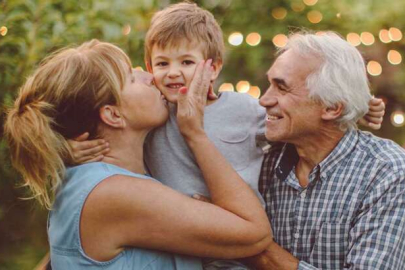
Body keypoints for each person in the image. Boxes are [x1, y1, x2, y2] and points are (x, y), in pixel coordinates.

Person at [69, 3, 385, 269]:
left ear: (214, 67)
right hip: (178, 243)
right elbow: (102, 137)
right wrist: (68, 149)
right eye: (162, 64)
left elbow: (301, 118)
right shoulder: (155, 112)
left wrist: (356, 106)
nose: (173, 73)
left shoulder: (243, 109)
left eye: (187, 62)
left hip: (239, 250)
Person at [4, 40, 273, 269]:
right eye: (132, 78)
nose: (150, 76)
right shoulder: (113, 192)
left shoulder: (94, 180)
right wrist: (194, 133)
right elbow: (255, 234)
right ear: (112, 115)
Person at [248, 31, 405, 269]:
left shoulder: (387, 172)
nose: (264, 100)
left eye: (281, 88)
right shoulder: (262, 153)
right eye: (269, 84)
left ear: (332, 107)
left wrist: (254, 247)